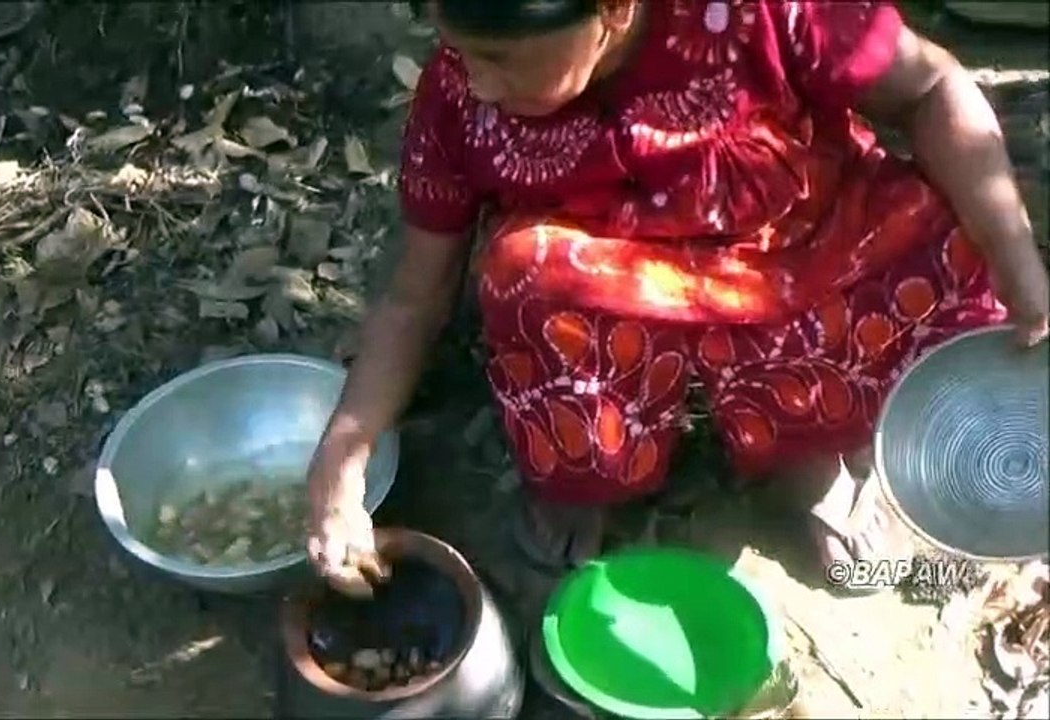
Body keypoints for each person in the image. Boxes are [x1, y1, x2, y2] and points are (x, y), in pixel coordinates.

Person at [304, 0, 1049, 593]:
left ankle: (811, 451)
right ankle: (585, 472)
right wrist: (344, 454)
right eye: (457, 48)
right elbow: (415, 296)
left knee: (936, 232)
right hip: (611, 291)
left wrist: (1014, 257)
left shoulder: (765, 11)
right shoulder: (457, 94)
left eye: (497, 58)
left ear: (615, 11)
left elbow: (930, 86)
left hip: (794, 255)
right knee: (522, 274)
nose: (476, 82)